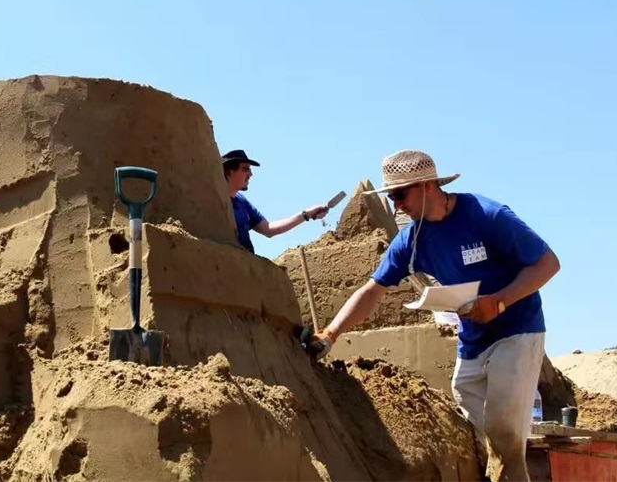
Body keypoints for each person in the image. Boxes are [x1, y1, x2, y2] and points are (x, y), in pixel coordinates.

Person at [304, 149, 560, 482]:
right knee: (471, 402)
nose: (396, 204)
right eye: (390, 196)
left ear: (427, 185)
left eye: (399, 194)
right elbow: (371, 291)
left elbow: (548, 263)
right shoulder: (412, 240)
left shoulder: (486, 215)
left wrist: (499, 302)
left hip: (517, 329)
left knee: (503, 424)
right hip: (473, 341)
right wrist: (331, 334)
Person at [222, 149, 330, 253]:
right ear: (229, 172)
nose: (250, 174)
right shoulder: (216, 199)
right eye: (245, 169)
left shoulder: (242, 201)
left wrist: (306, 214)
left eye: (250, 170)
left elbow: (268, 229)